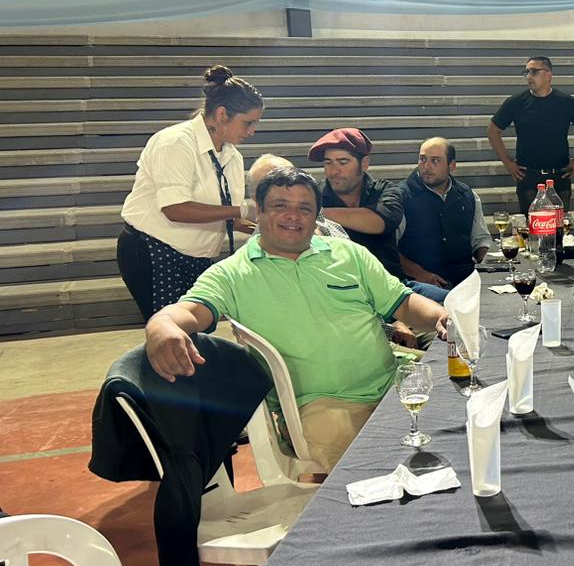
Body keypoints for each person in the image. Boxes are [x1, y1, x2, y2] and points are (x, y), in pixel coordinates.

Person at [143, 167, 449, 474]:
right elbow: (186, 311)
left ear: (317, 217)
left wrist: (441, 316)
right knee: (365, 479)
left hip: (395, 384)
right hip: (322, 406)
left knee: (459, 434)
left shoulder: (349, 254)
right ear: (259, 211)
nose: (293, 216)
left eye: (305, 209)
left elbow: (404, 302)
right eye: (280, 206)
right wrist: (162, 326)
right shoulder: (232, 274)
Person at [117, 65, 259, 319]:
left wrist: (269, 227)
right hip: (154, 250)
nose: (252, 131)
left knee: (195, 328)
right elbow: (175, 209)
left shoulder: (232, 156)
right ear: (222, 114)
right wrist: (245, 209)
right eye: (248, 123)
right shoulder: (176, 142)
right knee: (170, 329)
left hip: (196, 257)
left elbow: (233, 218)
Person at [488, 56, 574, 213]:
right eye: (526, 72)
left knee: (560, 225)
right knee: (531, 225)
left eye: (534, 72)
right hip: (529, 176)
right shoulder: (516, 102)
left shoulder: (565, 101)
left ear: (548, 75)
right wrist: (508, 162)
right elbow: (493, 130)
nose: (529, 76)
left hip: (559, 175)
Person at [398, 137, 491, 302]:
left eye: (435, 161)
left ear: (452, 166)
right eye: (422, 159)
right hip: (420, 287)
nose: (426, 166)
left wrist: (486, 266)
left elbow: (480, 240)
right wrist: (420, 274)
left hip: (465, 281)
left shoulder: (468, 195)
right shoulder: (400, 197)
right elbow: (388, 250)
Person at [309, 128, 403, 279]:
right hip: (340, 285)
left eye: (343, 162)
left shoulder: (384, 190)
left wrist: (316, 213)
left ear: (364, 163)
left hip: (392, 283)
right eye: (328, 163)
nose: (334, 171)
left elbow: (379, 222)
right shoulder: (313, 196)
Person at [248, 154, 347, 239]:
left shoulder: (336, 233)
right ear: (257, 202)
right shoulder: (253, 249)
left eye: (291, 178)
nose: (293, 216)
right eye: (280, 205)